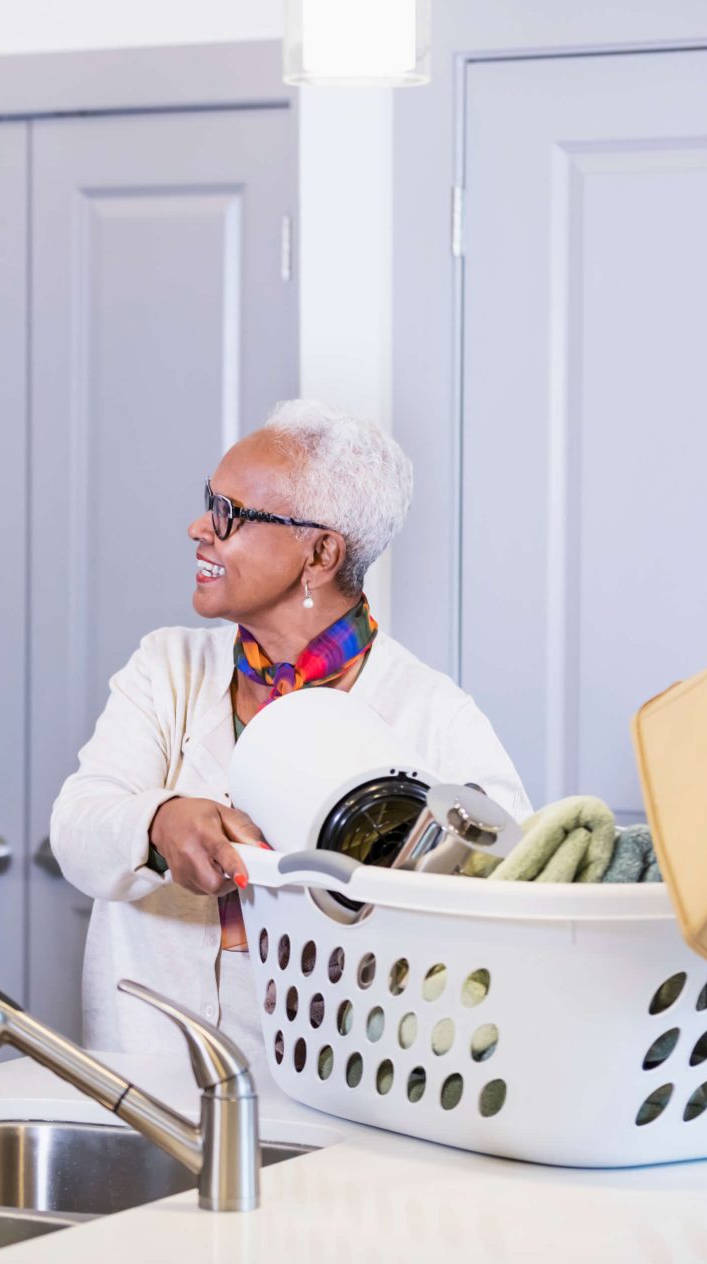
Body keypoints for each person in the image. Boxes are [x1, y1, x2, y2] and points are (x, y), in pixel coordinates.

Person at [49, 400, 531, 1063]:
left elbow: (510, 905)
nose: (199, 528)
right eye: (207, 502)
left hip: (333, 1103)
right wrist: (159, 823)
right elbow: (77, 827)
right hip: (147, 1088)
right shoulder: (167, 670)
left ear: (321, 552)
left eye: (230, 515)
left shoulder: (432, 715)